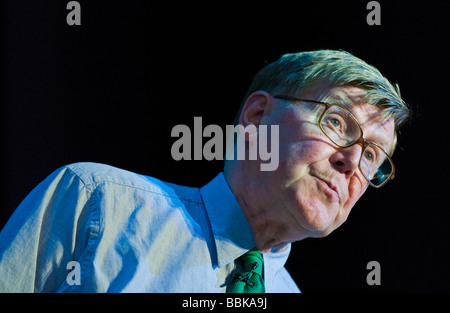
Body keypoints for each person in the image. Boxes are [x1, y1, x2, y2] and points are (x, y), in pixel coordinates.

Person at [0, 49, 411, 292]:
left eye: (374, 155)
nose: (353, 162)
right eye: (338, 122)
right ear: (257, 115)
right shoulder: (97, 203)